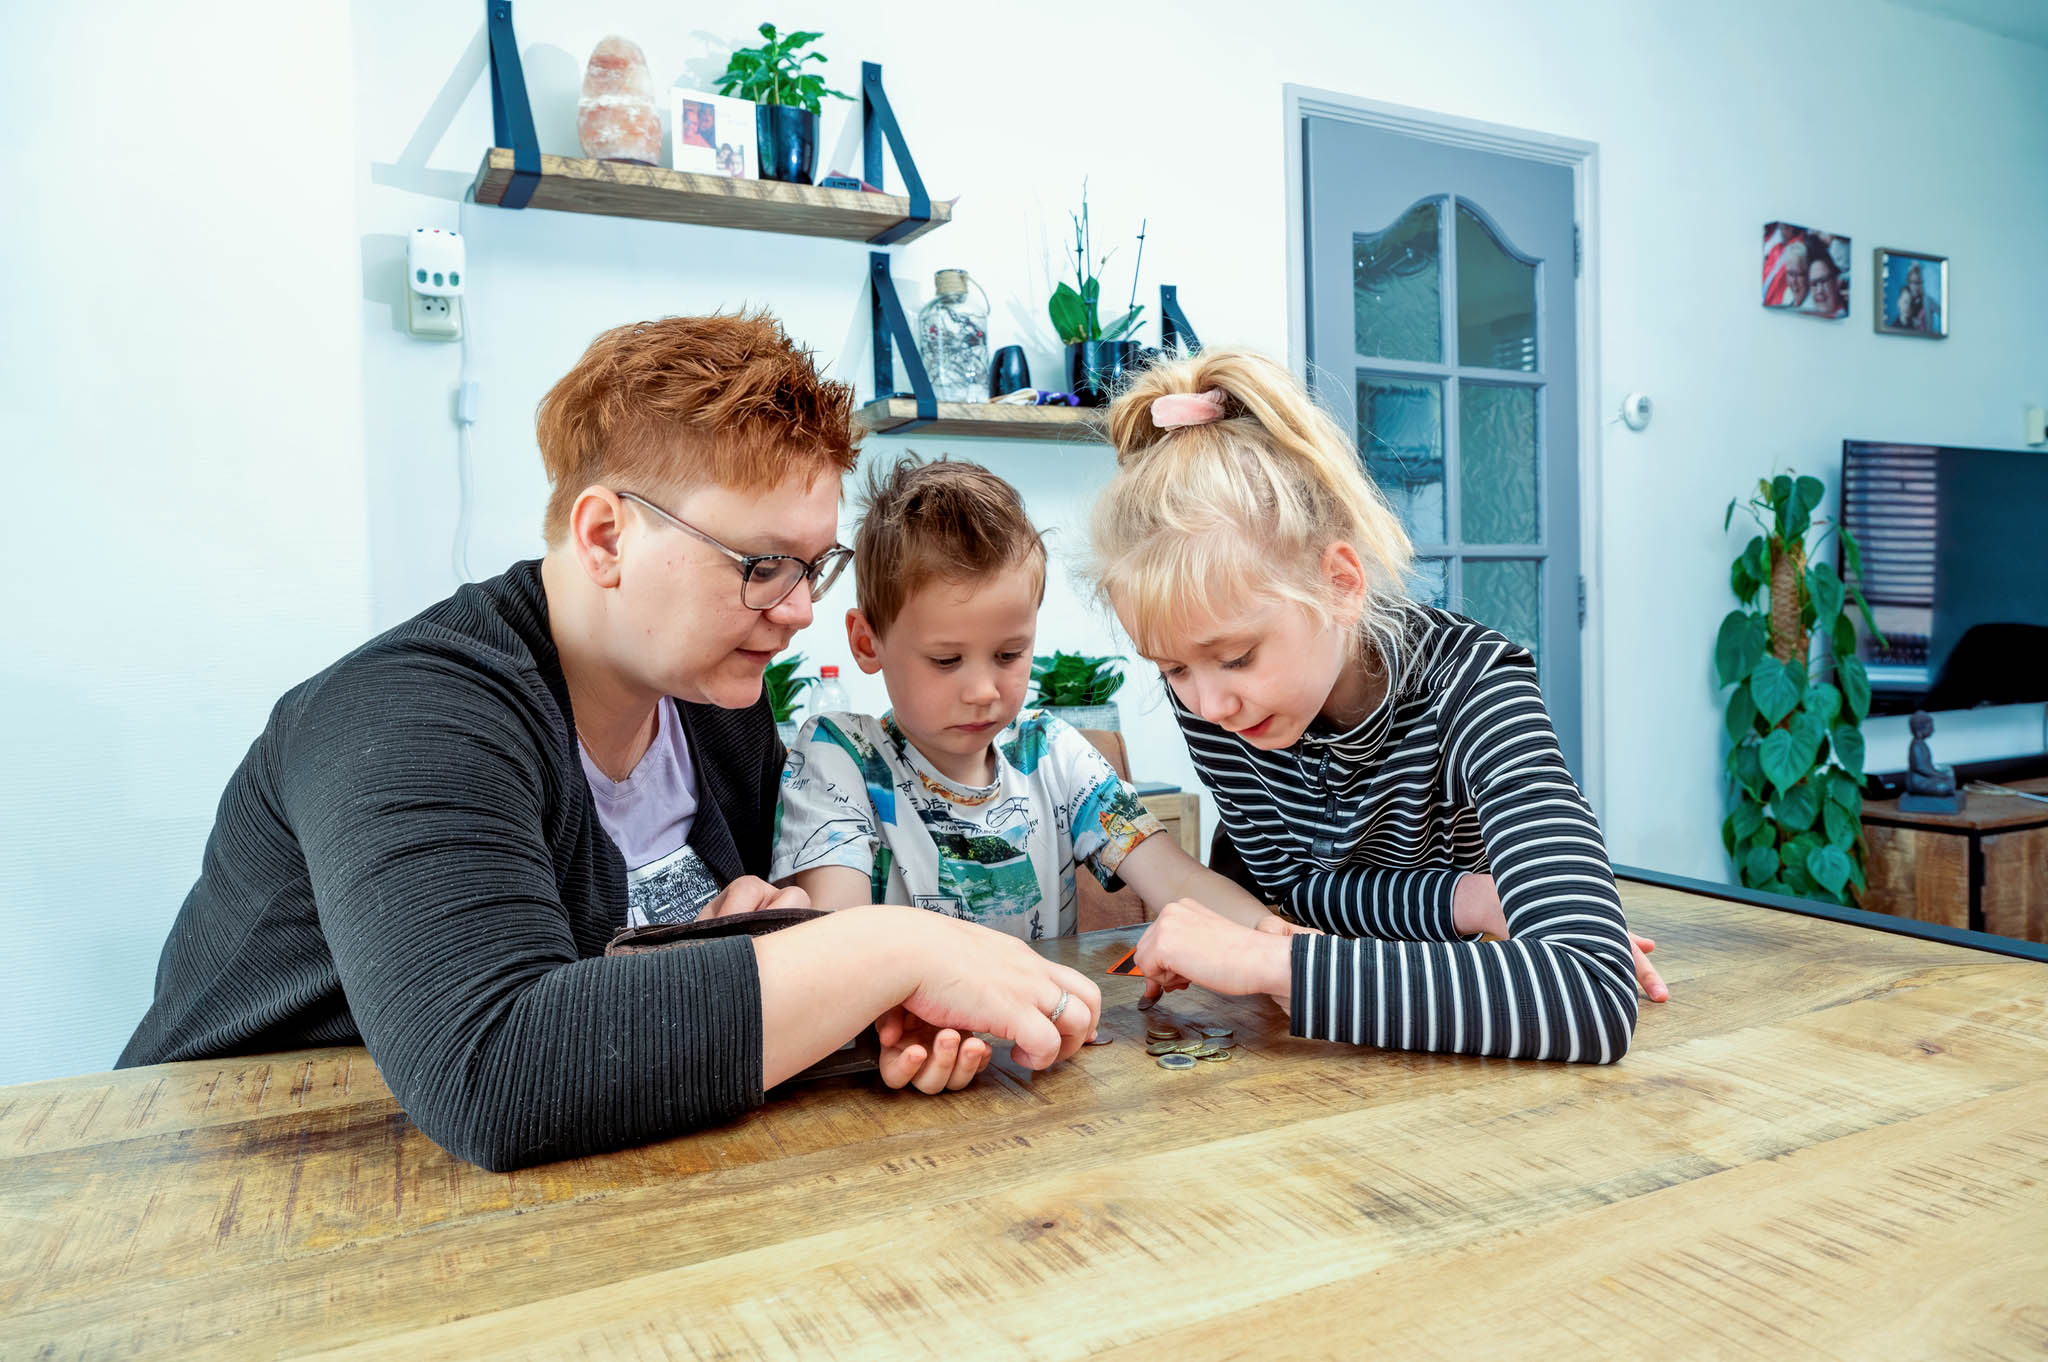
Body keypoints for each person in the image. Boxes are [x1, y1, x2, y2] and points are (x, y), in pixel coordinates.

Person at [116, 314, 1100, 1170]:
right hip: (240, 1185)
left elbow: (675, 987)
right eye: (762, 564)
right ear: (604, 537)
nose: (800, 610)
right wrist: (883, 948)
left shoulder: (715, 701)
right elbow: (494, 1072)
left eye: (813, 566)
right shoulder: (406, 715)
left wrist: (801, 958)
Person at [1087, 348, 1666, 1065]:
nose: (1208, 704)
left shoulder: (1480, 687)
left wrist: (1271, 961)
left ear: (1340, 583)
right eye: (1173, 669)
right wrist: (1467, 900)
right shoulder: (1222, 700)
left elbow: (1591, 992)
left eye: (1236, 657)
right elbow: (1295, 890)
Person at [771, 459, 1297, 1094]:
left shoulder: (1051, 751)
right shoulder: (839, 756)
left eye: (1009, 654)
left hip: (1048, 1069)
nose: (983, 690)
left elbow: (1179, 881)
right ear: (867, 642)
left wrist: (1284, 952)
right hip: (891, 1080)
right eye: (946, 659)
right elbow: (837, 937)